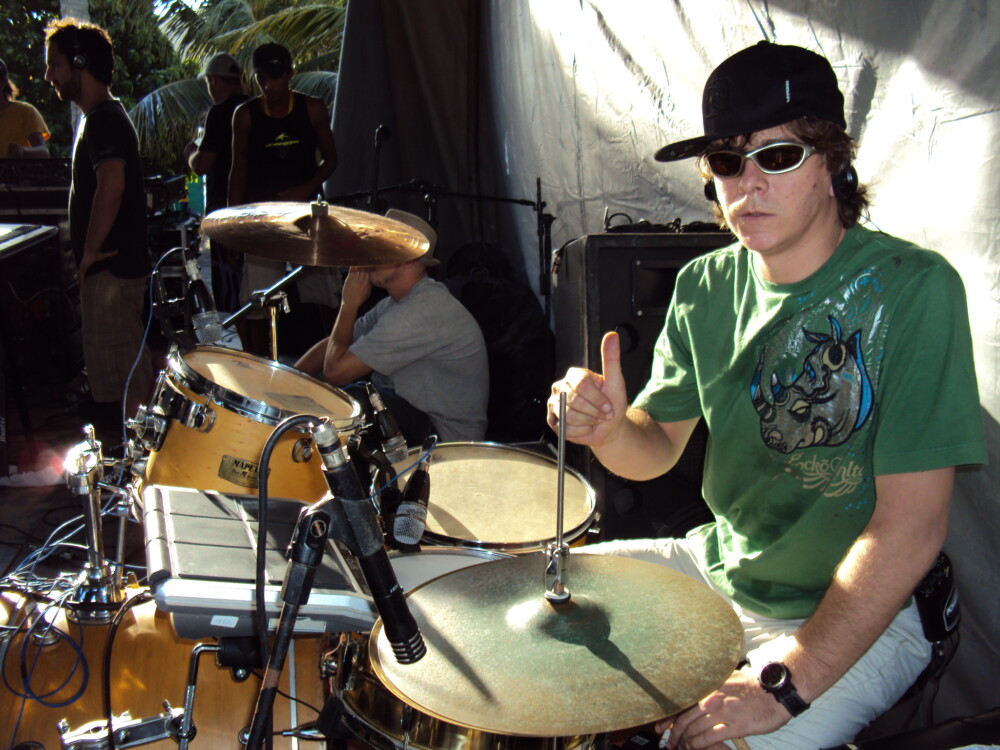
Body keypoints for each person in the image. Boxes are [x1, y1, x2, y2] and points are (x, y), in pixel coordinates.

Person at [547, 41, 985, 750]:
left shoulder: (914, 289)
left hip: (861, 614)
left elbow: (910, 528)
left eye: (776, 156)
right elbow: (653, 450)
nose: (747, 184)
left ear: (833, 161)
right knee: (533, 606)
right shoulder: (703, 286)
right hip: (720, 569)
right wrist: (607, 430)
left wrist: (784, 684)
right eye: (727, 161)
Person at [296, 210, 489, 444]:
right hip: (409, 414)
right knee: (355, 398)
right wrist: (288, 380)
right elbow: (336, 343)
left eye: (380, 247)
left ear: (408, 257)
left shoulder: (422, 310)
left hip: (445, 437)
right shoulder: (394, 304)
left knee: (354, 403)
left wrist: (348, 305)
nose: (369, 256)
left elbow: (335, 372)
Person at [44, 19, 153, 422]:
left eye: (55, 64)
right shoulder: (100, 117)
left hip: (111, 272)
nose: (49, 76)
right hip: (112, 271)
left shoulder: (104, 119)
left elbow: (112, 185)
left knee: (125, 383)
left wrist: (89, 252)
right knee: (125, 374)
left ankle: (138, 458)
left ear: (80, 62)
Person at [228, 42, 339, 358]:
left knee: (327, 294)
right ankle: (258, 368)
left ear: (290, 74)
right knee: (257, 299)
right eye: (262, 78)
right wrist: (233, 227)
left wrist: (306, 188)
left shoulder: (312, 108)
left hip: (308, 213)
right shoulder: (245, 115)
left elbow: (332, 160)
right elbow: (238, 171)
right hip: (263, 217)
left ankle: (334, 361)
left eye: (275, 77)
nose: (269, 85)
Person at [183, 52, 248, 312]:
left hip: (227, 214)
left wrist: (191, 154)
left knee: (234, 300)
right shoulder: (256, 108)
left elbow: (203, 164)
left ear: (213, 80)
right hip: (259, 211)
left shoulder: (220, 113)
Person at [1, 57, 50, 158]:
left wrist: (22, 151)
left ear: (4, 83)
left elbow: (44, 153)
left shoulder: (25, 112)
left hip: (16, 169)